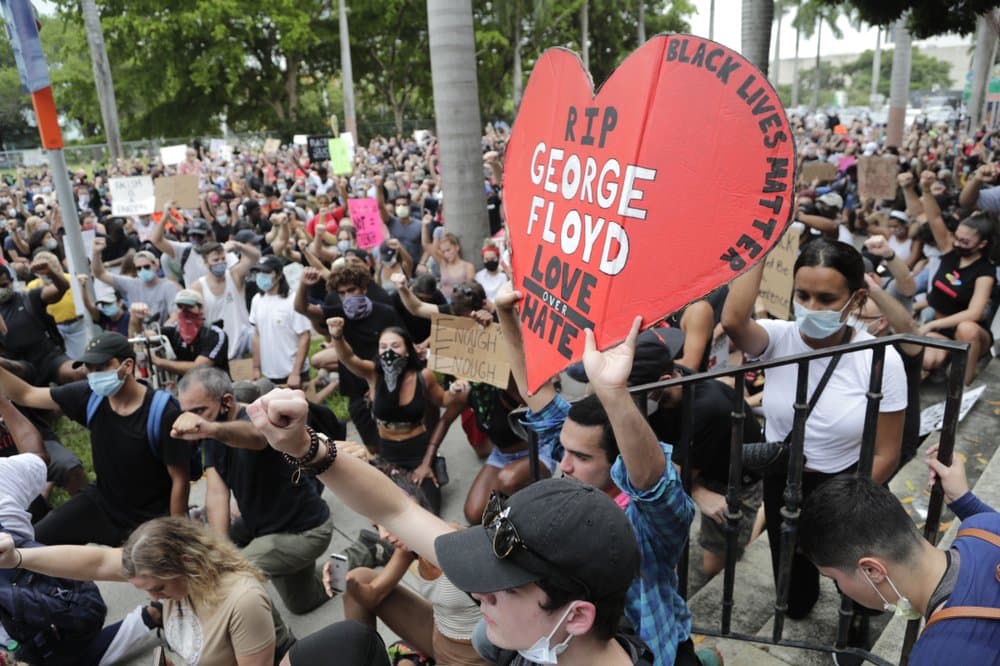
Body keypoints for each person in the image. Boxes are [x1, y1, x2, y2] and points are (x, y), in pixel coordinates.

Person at [247, 390, 655, 666]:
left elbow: (660, 493)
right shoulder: (545, 634)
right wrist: (303, 446)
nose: (479, 593)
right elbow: (396, 511)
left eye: (506, 587)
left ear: (578, 616)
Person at [492, 291, 695, 666]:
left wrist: (614, 394)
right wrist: (506, 315)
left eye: (582, 457)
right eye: (563, 450)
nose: (562, 465)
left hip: (653, 651)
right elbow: (535, 389)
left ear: (617, 464)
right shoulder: (575, 463)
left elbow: (653, 485)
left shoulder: (647, 523)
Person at [721, 237, 907, 628]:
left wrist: (843, 507)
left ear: (855, 300)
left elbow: (887, 451)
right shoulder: (778, 338)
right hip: (783, 477)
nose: (810, 309)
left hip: (847, 484)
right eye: (802, 295)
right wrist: (763, 243)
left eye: (826, 298)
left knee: (852, 580)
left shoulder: (880, 359)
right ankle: (796, 604)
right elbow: (734, 321)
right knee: (791, 574)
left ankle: (853, 628)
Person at [0, 516, 294, 665]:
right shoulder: (164, 572)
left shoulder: (242, 601)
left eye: (159, 589)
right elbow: (96, 562)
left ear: (187, 562)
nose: (154, 600)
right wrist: (18, 559)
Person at [797, 449, 999, 665]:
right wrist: (964, 501)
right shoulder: (984, 527)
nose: (840, 588)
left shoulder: (936, 655)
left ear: (872, 570)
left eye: (834, 578)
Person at [0, 331, 192, 546]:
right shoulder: (89, 396)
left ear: (127, 366)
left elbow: (180, 480)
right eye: (89, 369)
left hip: (151, 516)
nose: (93, 375)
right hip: (103, 502)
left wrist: (175, 535)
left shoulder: (163, 411)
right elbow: (27, 394)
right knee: (36, 542)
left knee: (149, 572)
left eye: (101, 368)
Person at [172, 367, 333, 615]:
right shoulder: (211, 436)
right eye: (187, 413)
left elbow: (256, 437)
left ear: (226, 401)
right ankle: (359, 553)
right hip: (264, 526)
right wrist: (219, 549)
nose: (193, 420)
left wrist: (209, 428)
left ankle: (280, 644)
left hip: (306, 531)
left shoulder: (257, 420)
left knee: (234, 577)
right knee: (303, 602)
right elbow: (217, 495)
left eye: (199, 411)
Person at [338, 462, 486, 665]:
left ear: (411, 506)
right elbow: (373, 595)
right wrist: (349, 583)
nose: (383, 535)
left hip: (475, 655)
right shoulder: (408, 549)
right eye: (376, 526)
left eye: (387, 523)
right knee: (359, 577)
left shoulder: (456, 541)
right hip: (439, 639)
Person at [326, 320, 466, 515]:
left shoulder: (423, 376)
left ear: (407, 350)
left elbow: (443, 399)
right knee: (388, 512)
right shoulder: (374, 374)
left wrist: (456, 389)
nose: (388, 352)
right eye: (383, 347)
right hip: (388, 455)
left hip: (419, 454)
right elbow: (349, 358)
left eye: (395, 346)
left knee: (425, 512)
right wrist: (337, 336)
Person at [917, 171, 996, 386]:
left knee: (967, 328)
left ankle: (963, 384)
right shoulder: (949, 251)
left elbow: (975, 313)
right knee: (927, 360)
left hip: (971, 335)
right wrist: (925, 189)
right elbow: (934, 218)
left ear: (981, 244)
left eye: (965, 242)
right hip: (941, 328)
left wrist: (929, 326)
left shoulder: (985, 272)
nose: (958, 244)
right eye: (957, 239)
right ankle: (941, 366)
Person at [0, 258, 82, 385]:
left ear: (11, 282)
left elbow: (61, 288)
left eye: (3, 285)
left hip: (48, 357)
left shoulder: (29, 298)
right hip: (18, 365)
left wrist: (51, 273)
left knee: (78, 373)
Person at [249, 256, 312, 388]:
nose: (261, 276)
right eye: (259, 272)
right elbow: (257, 335)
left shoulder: (293, 300)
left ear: (279, 276)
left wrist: (295, 373)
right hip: (269, 374)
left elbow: (304, 336)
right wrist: (256, 367)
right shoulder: (257, 300)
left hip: (292, 374)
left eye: (266, 272)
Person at [191, 238, 257, 359]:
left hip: (242, 338)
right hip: (218, 344)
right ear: (206, 263)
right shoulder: (198, 287)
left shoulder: (234, 275)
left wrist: (239, 245)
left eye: (223, 259)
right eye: (215, 260)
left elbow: (255, 257)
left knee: (255, 334)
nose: (220, 263)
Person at [92, 241, 178, 325]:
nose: (143, 270)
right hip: (136, 333)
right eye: (139, 268)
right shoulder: (131, 284)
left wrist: (158, 332)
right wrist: (96, 253)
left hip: (161, 333)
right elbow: (100, 274)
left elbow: (175, 316)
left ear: (156, 264)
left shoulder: (168, 286)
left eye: (146, 267)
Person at [149, 289, 230, 376]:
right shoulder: (174, 331)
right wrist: (137, 320)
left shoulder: (215, 335)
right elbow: (145, 336)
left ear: (201, 309)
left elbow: (199, 368)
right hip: (184, 387)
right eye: (180, 307)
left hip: (214, 385)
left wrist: (159, 362)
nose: (184, 312)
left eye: (189, 307)